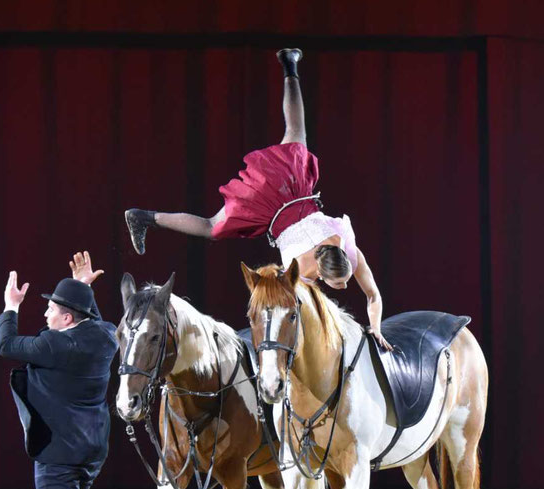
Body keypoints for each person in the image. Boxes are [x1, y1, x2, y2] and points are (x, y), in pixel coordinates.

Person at [125, 48, 392, 350]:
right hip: (271, 204)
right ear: (322, 272)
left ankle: (290, 64)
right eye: (338, 284)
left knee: (296, 132)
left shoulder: (348, 246)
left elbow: (373, 296)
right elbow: (296, 310)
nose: (343, 287)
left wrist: (375, 329)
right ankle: (145, 218)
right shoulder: (300, 269)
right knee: (212, 228)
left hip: (292, 186)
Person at [0, 251, 128, 489]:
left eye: (51, 309)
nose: (45, 314)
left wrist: (10, 307)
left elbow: (5, 345)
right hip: (92, 449)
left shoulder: (53, 345)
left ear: (66, 319)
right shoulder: (105, 337)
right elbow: (93, 318)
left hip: (57, 449)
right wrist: (82, 289)